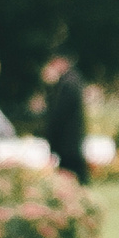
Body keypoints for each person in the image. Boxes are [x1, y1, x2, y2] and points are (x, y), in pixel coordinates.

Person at [41, 54, 90, 185]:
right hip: (70, 136)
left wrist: (49, 86)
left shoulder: (67, 83)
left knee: (71, 169)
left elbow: (58, 111)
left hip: (67, 136)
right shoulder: (71, 80)